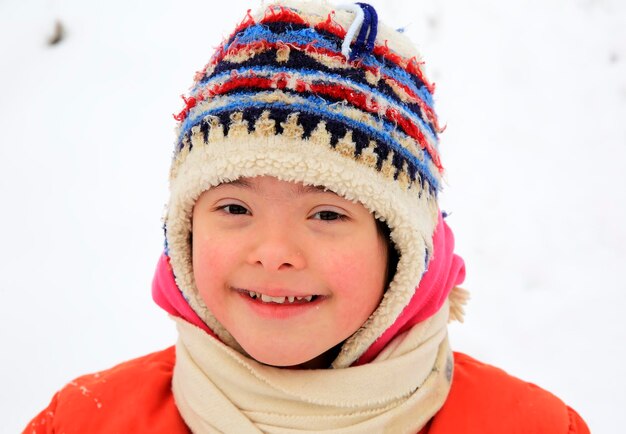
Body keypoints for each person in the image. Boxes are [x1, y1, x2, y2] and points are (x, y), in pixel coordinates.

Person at [23, 1, 590, 432]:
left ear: (401, 251)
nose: (273, 251)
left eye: (325, 213)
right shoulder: (86, 420)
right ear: (185, 232)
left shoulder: (526, 425)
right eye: (234, 207)